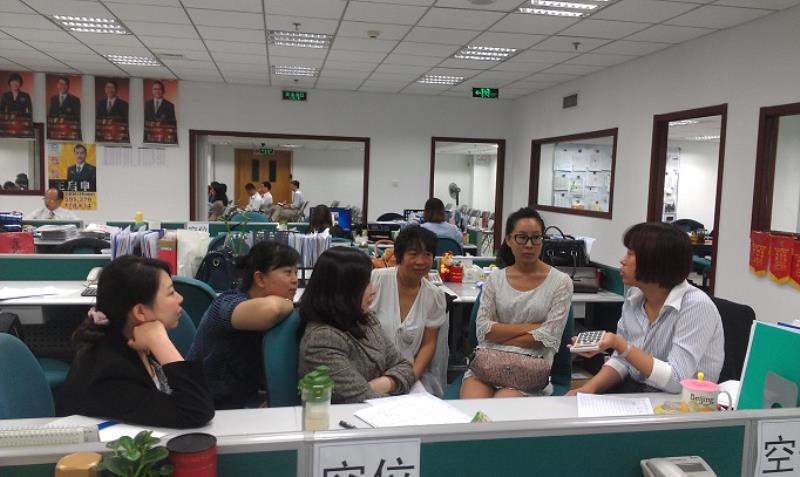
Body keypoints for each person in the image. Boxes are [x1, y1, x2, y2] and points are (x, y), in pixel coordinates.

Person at [56, 256, 215, 428]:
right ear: (140, 312)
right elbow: (196, 411)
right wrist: (160, 342)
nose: (180, 298)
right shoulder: (111, 373)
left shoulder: (131, 338)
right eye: (170, 293)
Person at [568, 222, 724, 395]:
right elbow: (622, 360)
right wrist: (587, 389)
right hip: (639, 393)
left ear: (655, 262)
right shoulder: (635, 296)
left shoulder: (696, 306)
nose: (622, 260)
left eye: (630, 254)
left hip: (687, 402)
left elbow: (677, 381)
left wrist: (620, 344)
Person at [461, 207, 573, 399]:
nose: (529, 244)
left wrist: (498, 334)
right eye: (522, 237)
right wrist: (531, 328)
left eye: (536, 238)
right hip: (487, 363)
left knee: (501, 409)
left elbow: (548, 337)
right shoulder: (494, 279)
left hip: (530, 368)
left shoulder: (561, 282)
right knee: (472, 409)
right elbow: (483, 329)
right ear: (508, 239)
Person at [188, 241, 299, 409]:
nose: (294, 280)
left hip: (244, 403)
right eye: (287, 272)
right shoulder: (227, 304)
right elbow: (272, 310)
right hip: (205, 403)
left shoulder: (281, 313)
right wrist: (291, 304)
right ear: (260, 278)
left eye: (296, 272)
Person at [298, 247, 415, 404]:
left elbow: (405, 366)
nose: (373, 290)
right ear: (343, 290)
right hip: (345, 417)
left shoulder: (365, 319)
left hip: (375, 409)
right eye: (366, 284)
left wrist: (381, 384)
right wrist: (392, 383)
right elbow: (361, 399)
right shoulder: (322, 340)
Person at [370, 225, 449, 396]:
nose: (421, 261)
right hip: (370, 369)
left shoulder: (434, 296)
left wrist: (408, 379)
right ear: (400, 256)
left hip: (410, 372)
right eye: (413, 254)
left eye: (427, 255)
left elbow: (428, 345)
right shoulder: (376, 281)